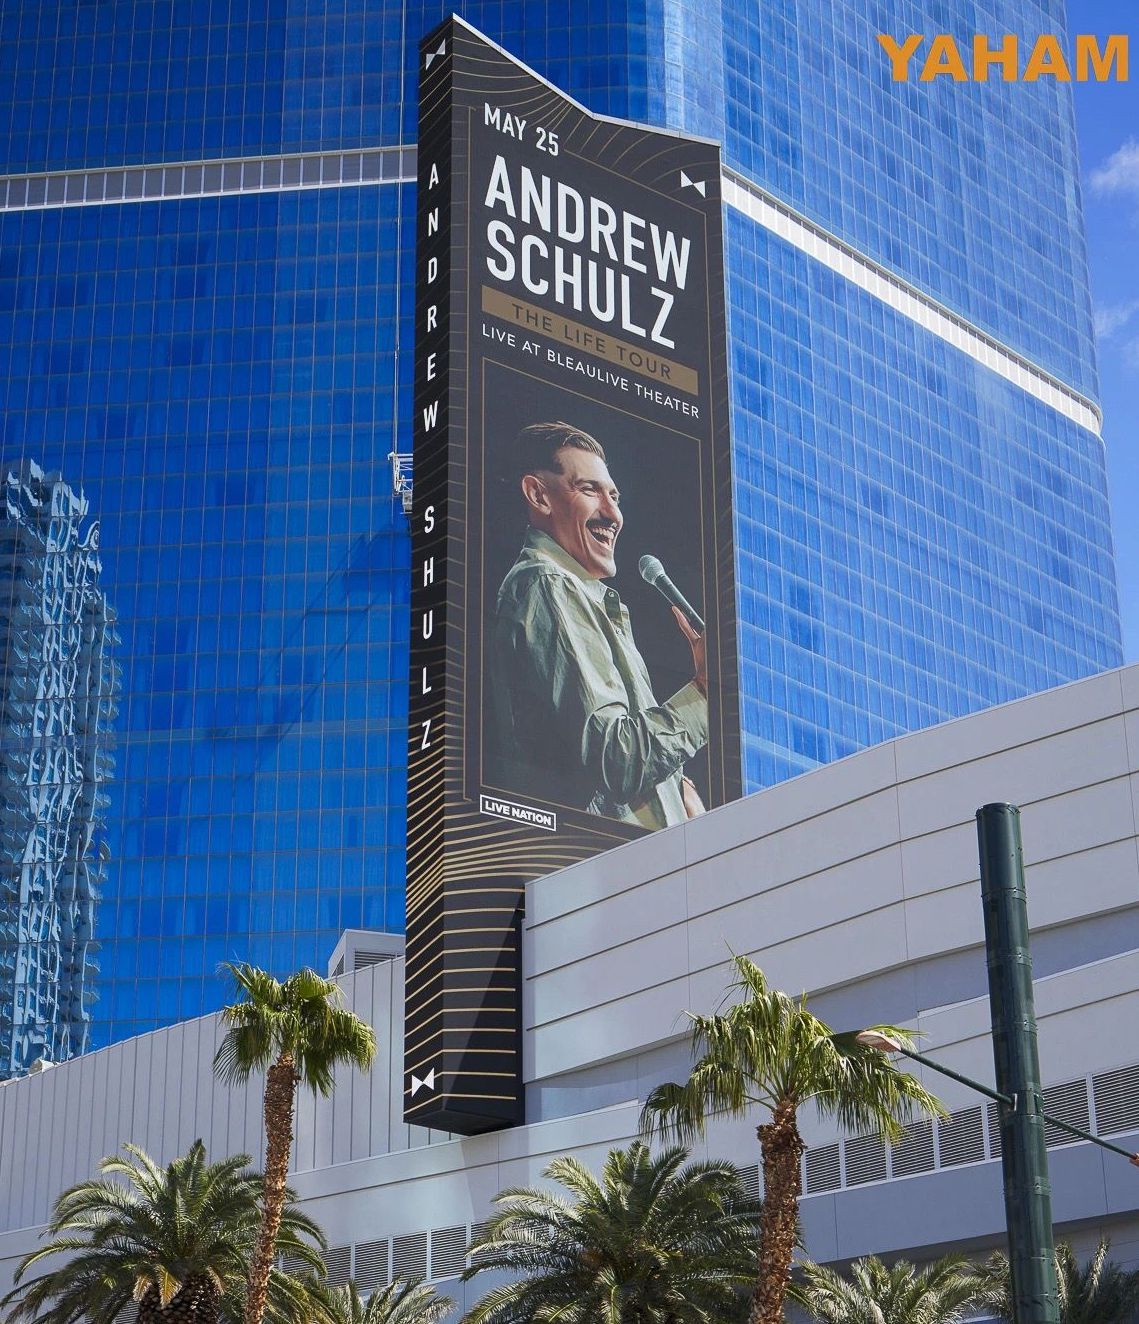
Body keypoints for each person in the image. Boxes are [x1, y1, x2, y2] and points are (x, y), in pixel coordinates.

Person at [490, 420, 708, 828]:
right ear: (538, 494)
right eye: (589, 490)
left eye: (614, 496)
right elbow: (619, 762)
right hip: (605, 877)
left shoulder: (580, 595)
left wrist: (675, 790)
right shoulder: (547, 584)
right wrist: (704, 690)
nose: (613, 514)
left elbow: (623, 766)